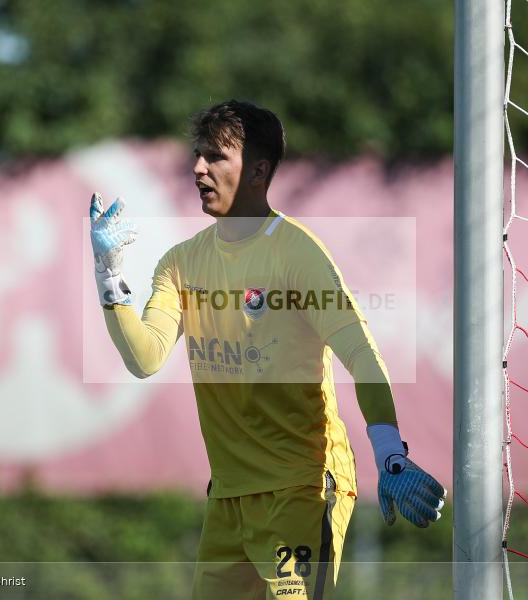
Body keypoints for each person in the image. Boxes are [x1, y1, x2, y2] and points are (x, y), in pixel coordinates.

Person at [90, 99, 445, 599]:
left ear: (258, 171)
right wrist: (109, 275)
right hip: (228, 500)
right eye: (197, 154)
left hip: (301, 490)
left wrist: (389, 454)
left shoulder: (297, 253)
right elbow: (145, 358)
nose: (198, 168)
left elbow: (362, 354)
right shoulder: (180, 263)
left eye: (216, 156)